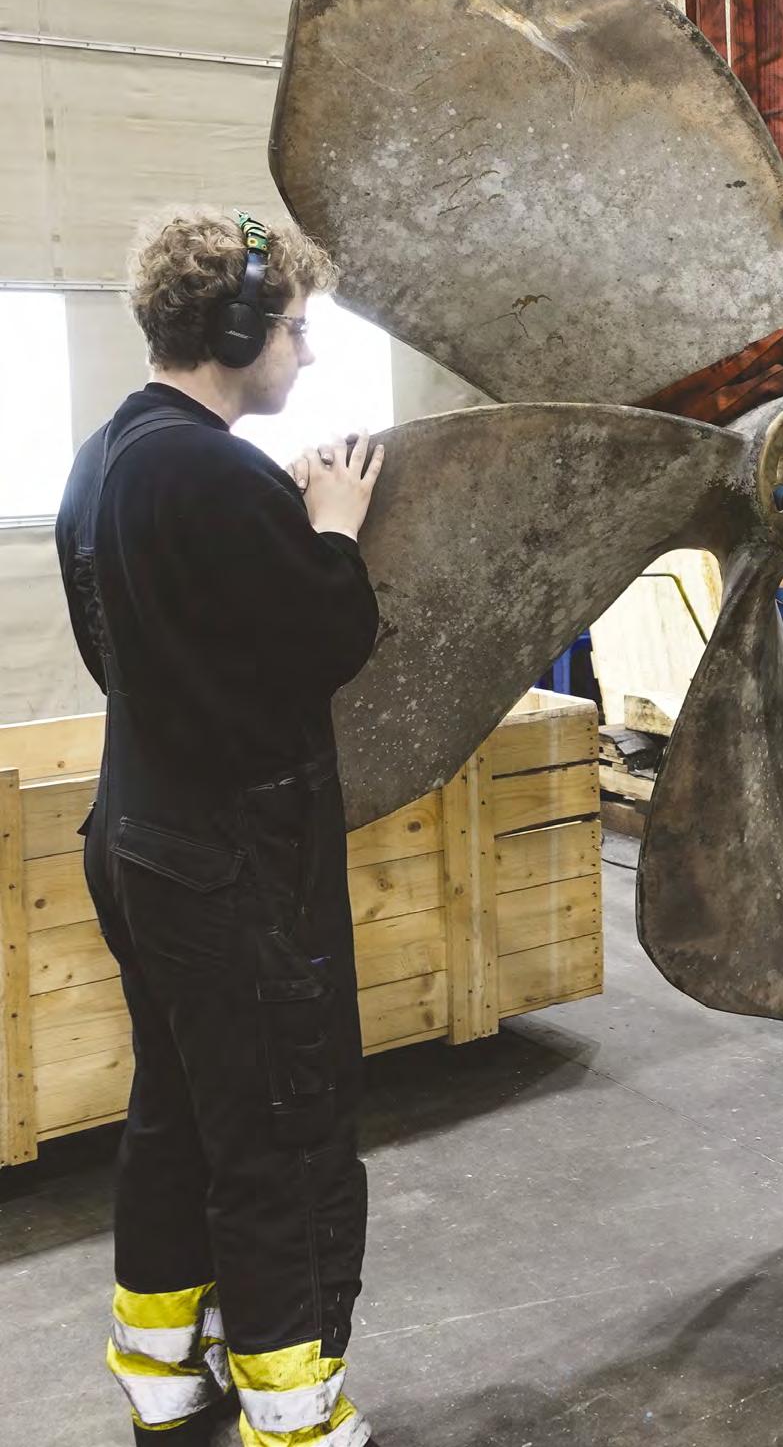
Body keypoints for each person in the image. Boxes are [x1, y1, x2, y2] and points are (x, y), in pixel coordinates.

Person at [55, 210, 386, 1446]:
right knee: (280, 1129)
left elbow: (135, 645)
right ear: (237, 331)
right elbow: (324, 637)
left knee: (179, 1105)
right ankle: (295, 1413)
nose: (305, 351)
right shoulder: (213, 475)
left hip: (138, 831)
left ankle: (160, 1372)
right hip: (231, 861)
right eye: (296, 328)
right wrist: (333, 529)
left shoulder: (106, 458)